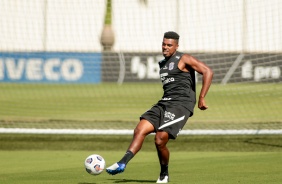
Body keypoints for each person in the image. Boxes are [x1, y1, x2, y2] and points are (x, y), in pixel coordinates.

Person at [106, 31, 213, 183]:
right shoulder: (162, 64)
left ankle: (164, 174)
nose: (165, 47)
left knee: (159, 139)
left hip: (181, 105)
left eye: (169, 45)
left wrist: (201, 97)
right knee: (140, 129)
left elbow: (208, 71)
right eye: (163, 44)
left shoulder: (184, 58)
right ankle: (122, 162)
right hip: (164, 103)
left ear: (176, 46)